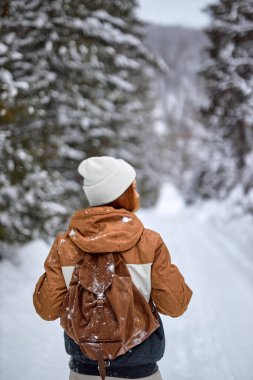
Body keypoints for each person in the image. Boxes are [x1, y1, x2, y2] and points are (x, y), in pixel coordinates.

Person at [33, 156, 193, 380]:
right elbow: (176, 305)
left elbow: (46, 308)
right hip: (139, 371)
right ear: (122, 194)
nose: (137, 194)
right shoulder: (150, 242)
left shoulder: (64, 245)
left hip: (84, 369)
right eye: (133, 188)